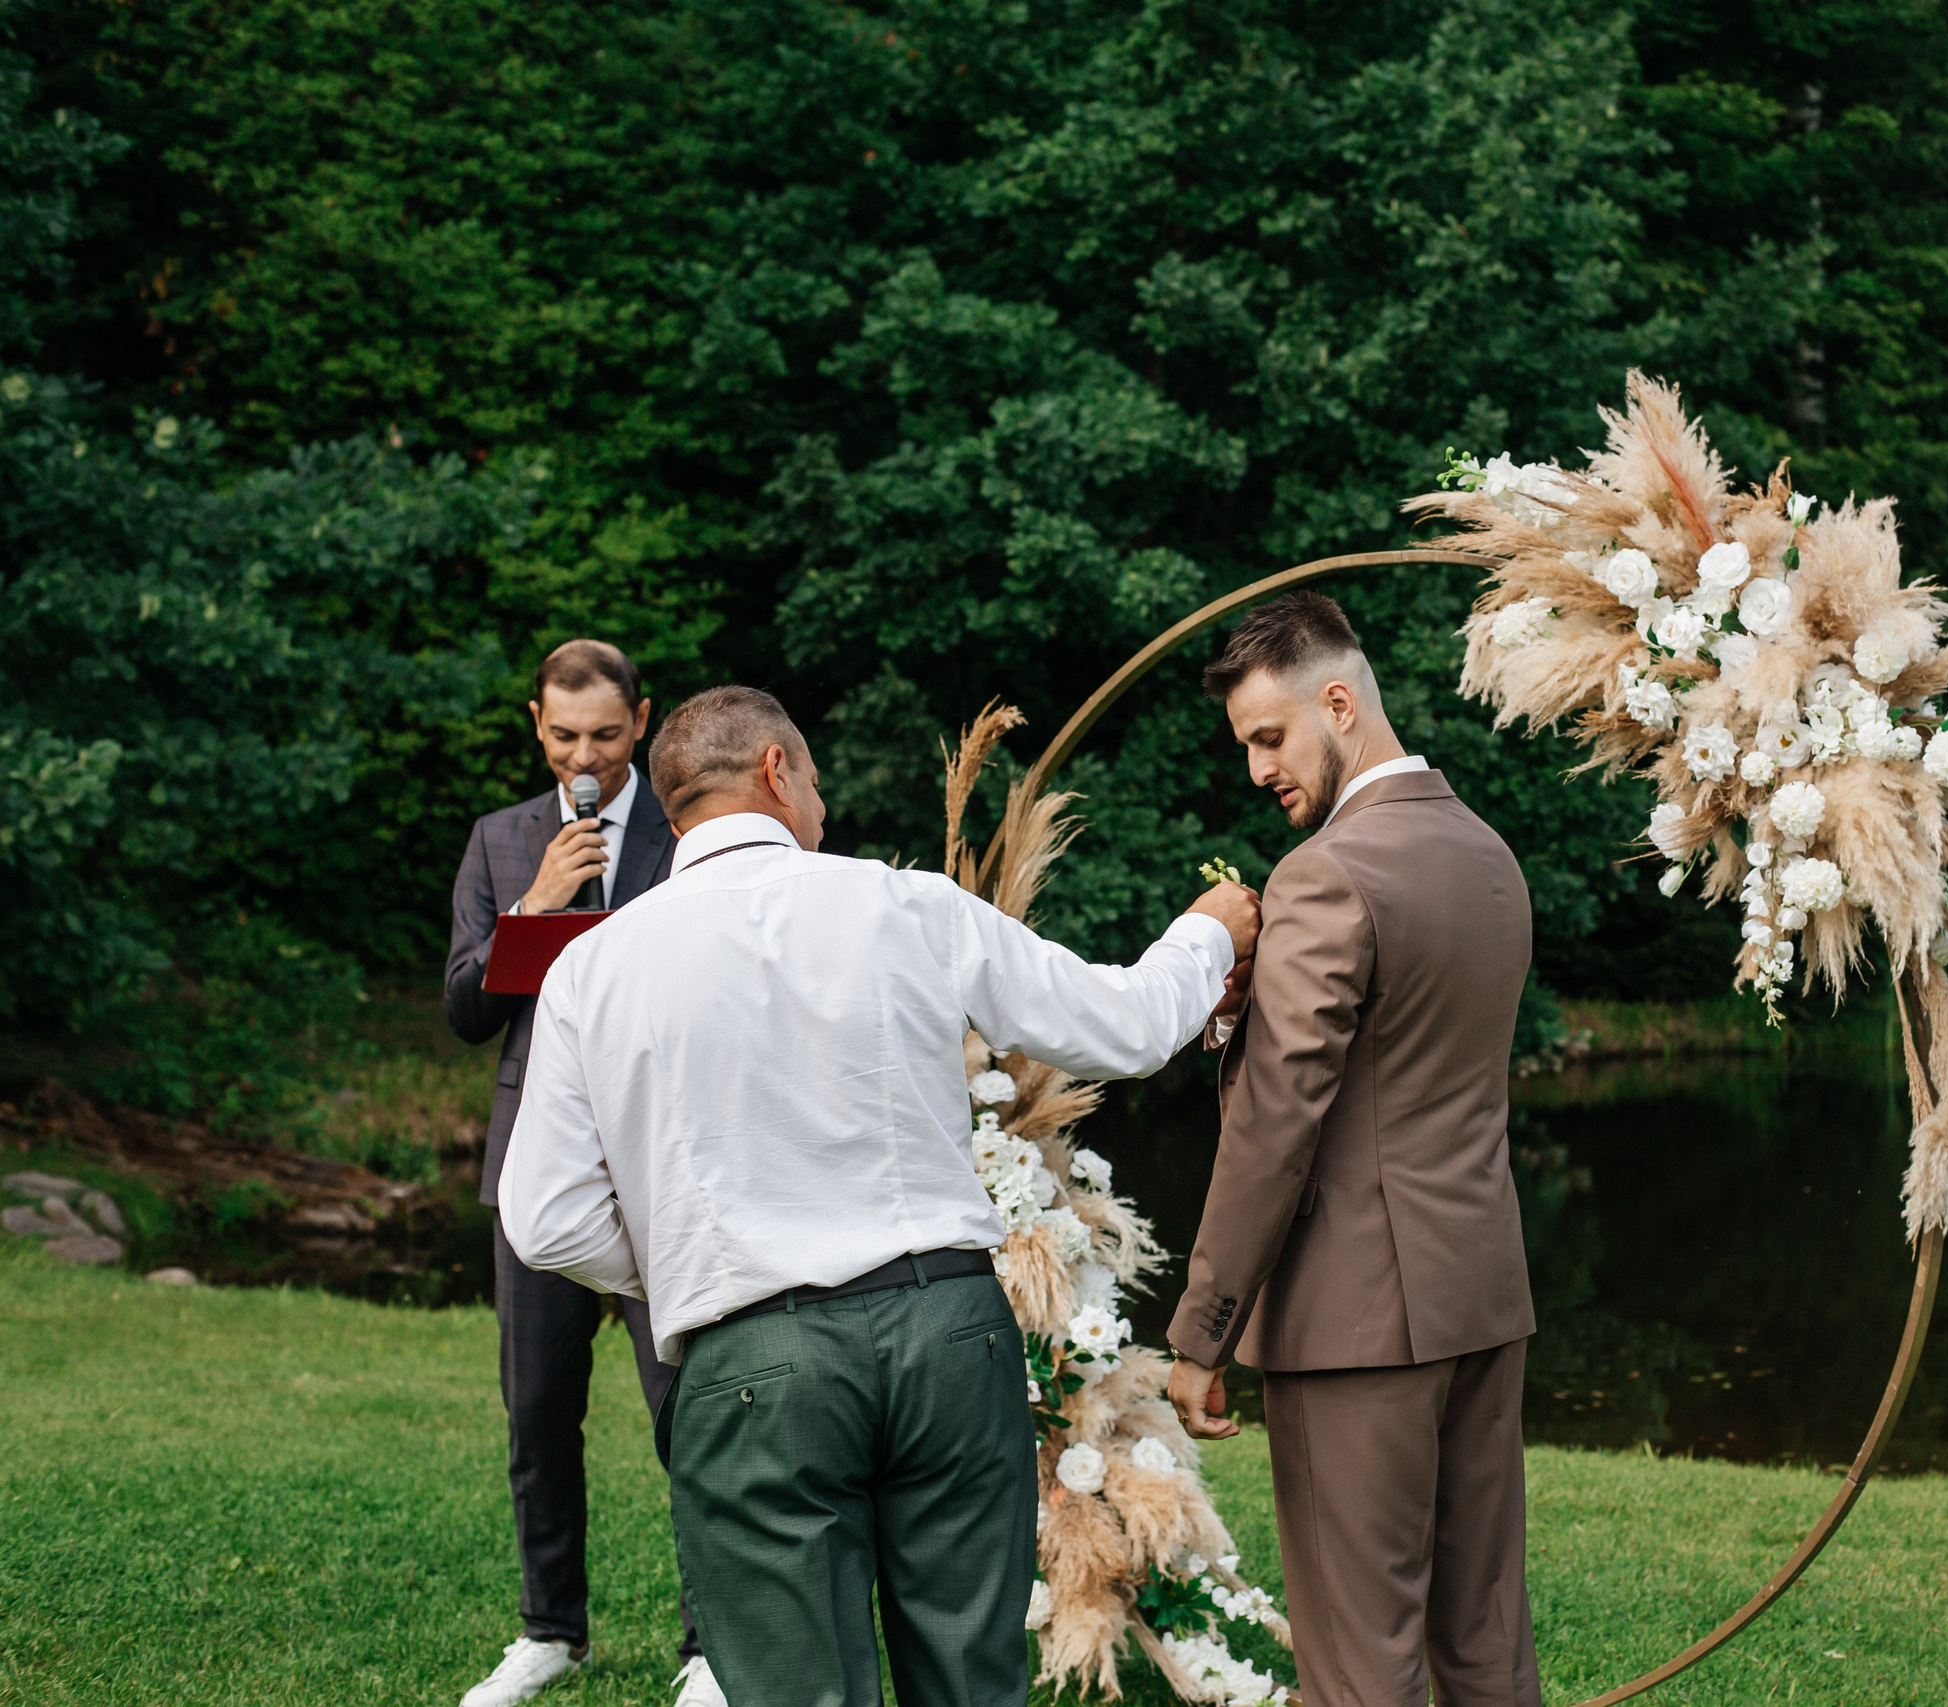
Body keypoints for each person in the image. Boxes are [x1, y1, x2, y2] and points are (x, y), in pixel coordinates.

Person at [499, 685, 1261, 1707]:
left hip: (749, 1358)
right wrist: (1207, 933)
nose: (822, 806)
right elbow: (1122, 1026)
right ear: (776, 770)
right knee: (968, 1685)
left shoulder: (591, 970)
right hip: (947, 1336)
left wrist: (697, 1254)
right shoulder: (903, 905)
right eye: (812, 779)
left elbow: (544, 1218)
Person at [1165, 592, 1542, 1707]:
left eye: (1269, 737)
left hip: (1355, 1323)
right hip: (1480, 1296)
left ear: (1339, 700)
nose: (1256, 770)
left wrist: (1203, 1329)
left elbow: (1280, 1125)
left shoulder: (1326, 874)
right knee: (1483, 1644)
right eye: (1245, 747)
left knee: (1358, 1660)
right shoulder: (1485, 853)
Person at [445, 640, 722, 1707]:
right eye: (565, 736)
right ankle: (550, 1633)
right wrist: (536, 907)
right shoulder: (499, 840)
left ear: (641, 722)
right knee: (538, 1413)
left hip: (662, 1170)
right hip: (536, 1176)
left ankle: (708, 1644)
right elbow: (467, 1011)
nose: (586, 757)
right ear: (536, 725)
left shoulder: (690, 832)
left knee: (689, 1414)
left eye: (606, 735)